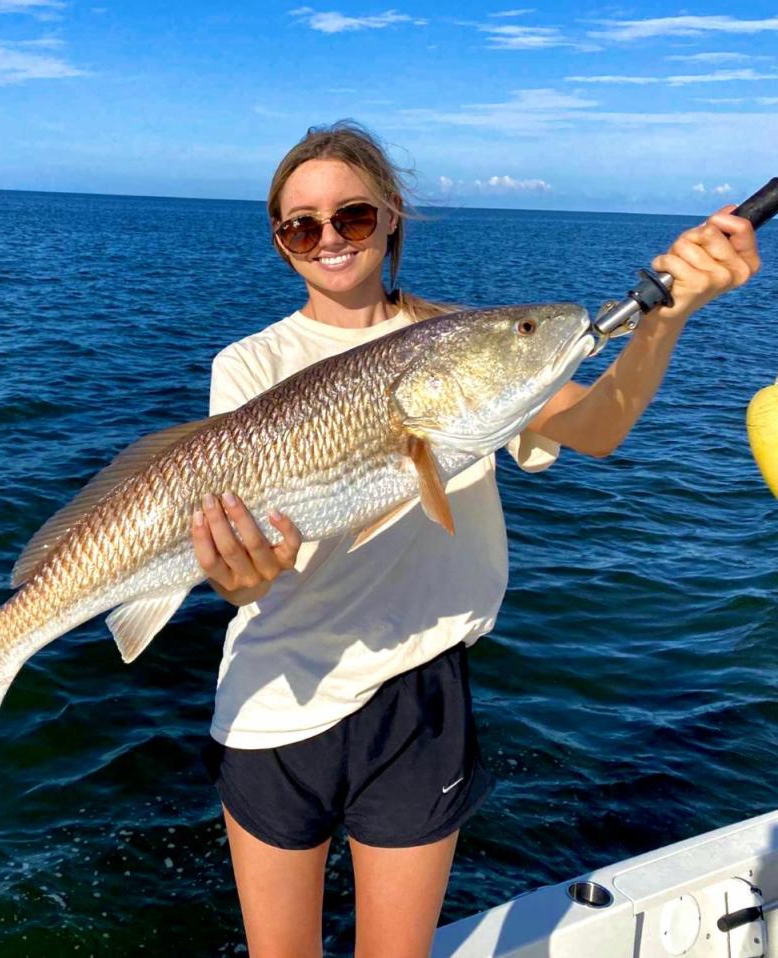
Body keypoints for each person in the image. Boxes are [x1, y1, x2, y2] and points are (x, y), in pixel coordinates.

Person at [190, 120, 760, 958]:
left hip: (422, 695)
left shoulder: (473, 346)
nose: (326, 239)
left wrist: (663, 319)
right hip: (275, 700)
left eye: (349, 217)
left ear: (390, 219)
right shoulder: (248, 364)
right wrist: (238, 575)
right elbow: (239, 584)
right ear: (281, 243)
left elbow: (598, 427)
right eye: (299, 225)